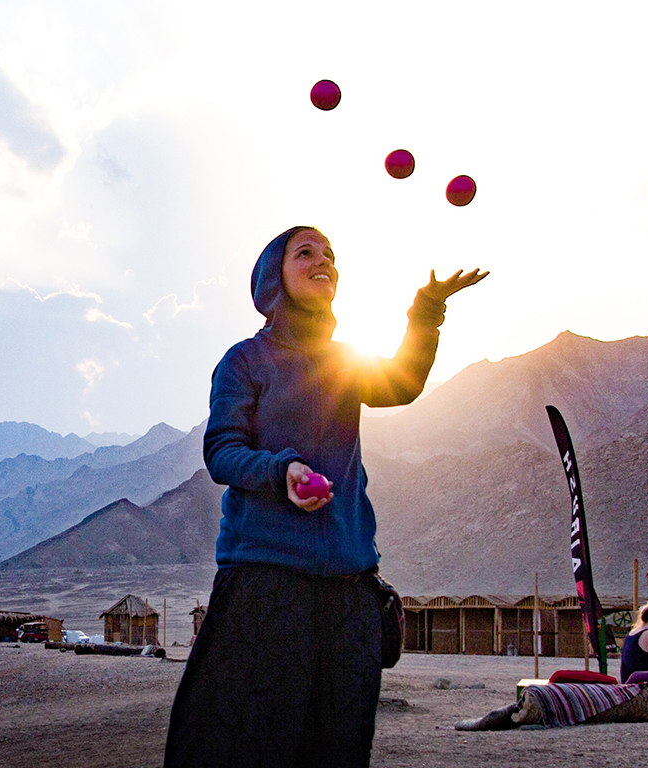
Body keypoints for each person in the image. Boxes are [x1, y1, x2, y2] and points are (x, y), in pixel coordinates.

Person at [164, 226, 486, 767]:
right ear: (274, 276)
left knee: (337, 746)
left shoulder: (346, 361)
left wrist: (425, 314)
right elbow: (221, 451)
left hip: (349, 588)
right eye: (306, 252)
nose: (324, 261)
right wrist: (281, 470)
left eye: (330, 255)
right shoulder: (246, 360)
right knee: (246, 742)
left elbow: (403, 384)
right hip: (266, 582)